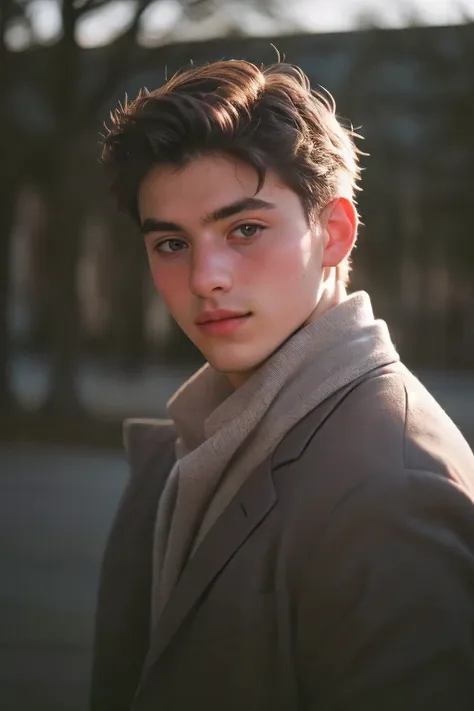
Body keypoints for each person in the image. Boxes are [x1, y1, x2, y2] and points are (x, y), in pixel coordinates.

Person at [90, 60, 474, 711]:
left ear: (335, 233)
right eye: (172, 243)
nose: (206, 276)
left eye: (245, 229)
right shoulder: (200, 438)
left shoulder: (395, 488)